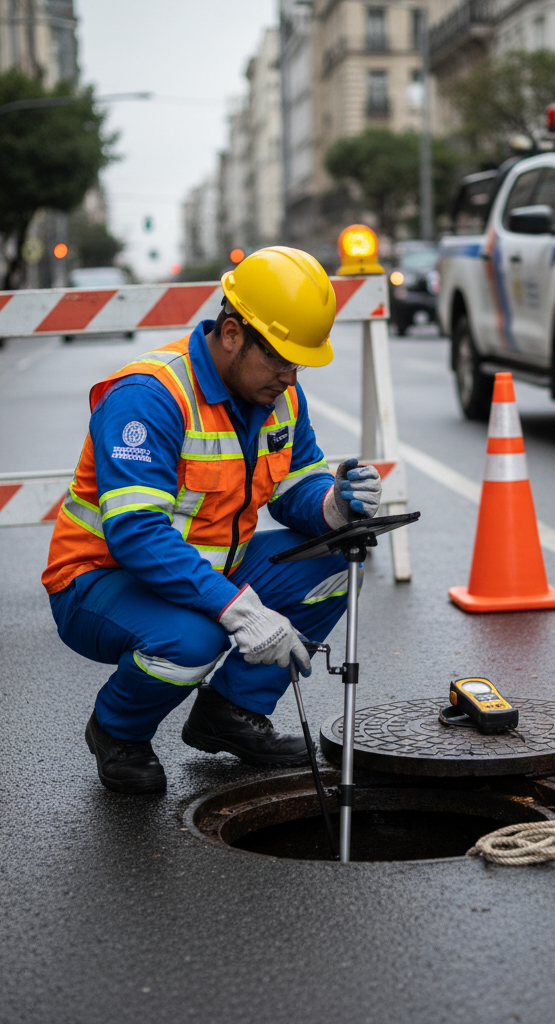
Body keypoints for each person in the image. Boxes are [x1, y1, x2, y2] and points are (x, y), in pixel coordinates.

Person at [42, 247, 381, 794]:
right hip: (98, 581)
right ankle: (118, 732)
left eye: (298, 363)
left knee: (340, 562)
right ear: (230, 334)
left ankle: (230, 713)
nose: (290, 378)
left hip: (211, 568)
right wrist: (239, 611)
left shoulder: (280, 396)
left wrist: (336, 506)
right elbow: (136, 533)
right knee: (195, 639)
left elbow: (297, 485)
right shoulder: (149, 397)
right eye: (279, 359)